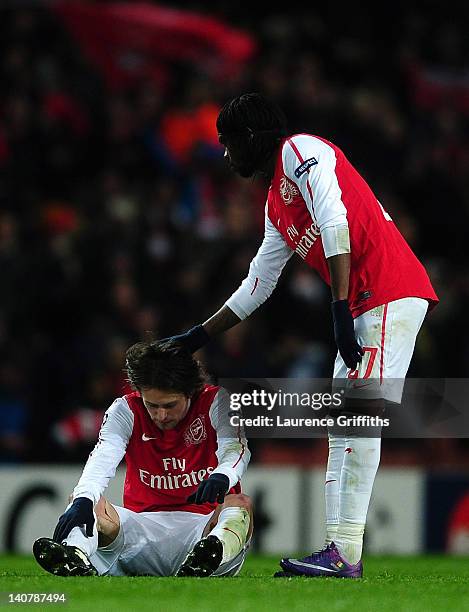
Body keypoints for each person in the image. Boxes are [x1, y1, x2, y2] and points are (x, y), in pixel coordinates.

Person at [163, 92, 439, 578]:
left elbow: (335, 222)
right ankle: (339, 551)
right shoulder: (276, 204)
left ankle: (345, 552)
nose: (225, 154)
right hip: (363, 303)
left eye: (228, 142)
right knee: (345, 424)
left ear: (252, 138)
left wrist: (336, 308)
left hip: (386, 292)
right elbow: (258, 284)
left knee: (356, 419)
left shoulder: (300, 150)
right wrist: (195, 338)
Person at [33, 341, 252, 578]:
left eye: (170, 405)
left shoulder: (217, 402)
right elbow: (103, 457)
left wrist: (223, 474)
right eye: (152, 405)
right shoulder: (124, 410)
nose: (161, 415)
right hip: (140, 536)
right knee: (86, 501)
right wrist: (83, 498)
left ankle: (212, 554)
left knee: (240, 504)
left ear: (190, 391)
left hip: (201, 530)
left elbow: (236, 446)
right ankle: (75, 555)